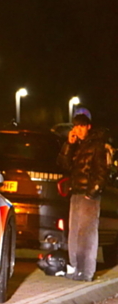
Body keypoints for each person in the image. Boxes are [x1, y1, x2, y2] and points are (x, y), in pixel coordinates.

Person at [57, 112, 109, 281]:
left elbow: (102, 172)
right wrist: (68, 144)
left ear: (88, 127)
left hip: (88, 195)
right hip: (76, 193)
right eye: (76, 126)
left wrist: (92, 192)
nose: (78, 130)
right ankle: (75, 268)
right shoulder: (77, 146)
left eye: (81, 126)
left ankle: (86, 271)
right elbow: (63, 165)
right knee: (74, 232)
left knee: (86, 233)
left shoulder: (97, 145)